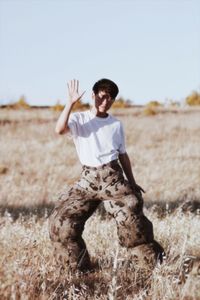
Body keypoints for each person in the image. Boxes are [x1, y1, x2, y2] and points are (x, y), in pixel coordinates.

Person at [49, 78, 164, 272]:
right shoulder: (79, 119)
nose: (105, 102)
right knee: (61, 222)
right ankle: (77, 269)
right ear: (93, 95)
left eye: (110, 99)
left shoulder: (116, 124)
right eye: (102, 97)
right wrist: (70, 102)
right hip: (88, 180)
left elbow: (123, 155)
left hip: (113, 179)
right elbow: (59, 129)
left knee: (133, 225)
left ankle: (153, 267)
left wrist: (132, 183)